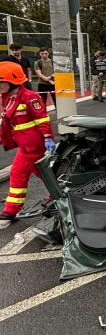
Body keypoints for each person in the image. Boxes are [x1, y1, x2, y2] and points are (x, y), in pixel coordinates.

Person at [0, 62, 55, 228]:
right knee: (43, 173)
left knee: (17, 174)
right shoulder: (10, 97)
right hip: (25, 144)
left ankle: (10, 211)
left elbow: (42, 119)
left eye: (1, 83)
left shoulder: (30, 97)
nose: (0, 86)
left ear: (13, 81)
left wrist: (47, 137)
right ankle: (59, 194)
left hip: (32, 145)